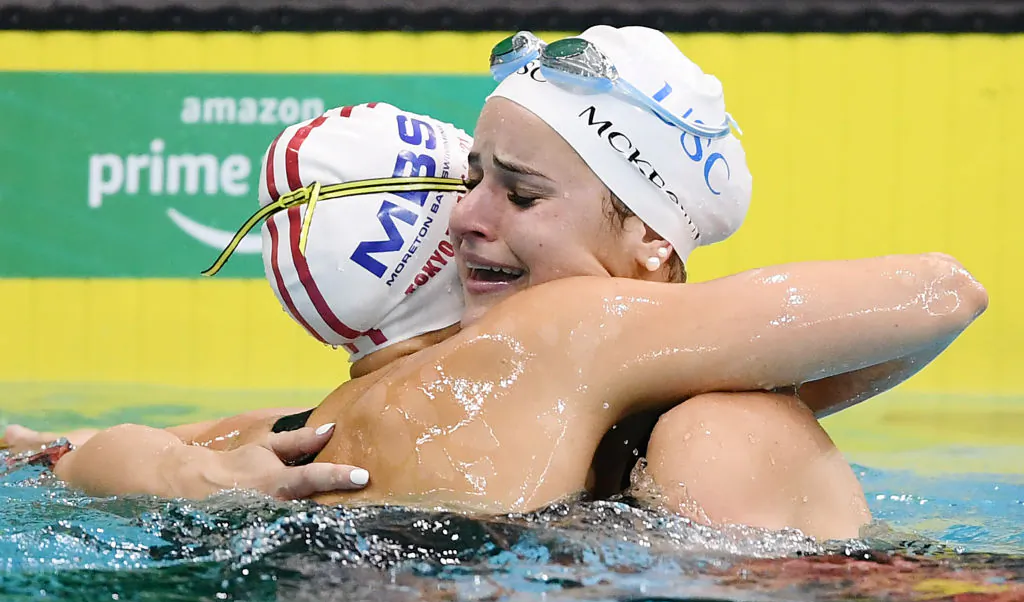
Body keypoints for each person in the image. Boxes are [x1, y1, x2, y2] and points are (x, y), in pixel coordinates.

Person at [42, 87, 986, 540]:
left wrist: (173, 472)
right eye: (467, 187)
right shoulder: (601, 360)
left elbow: (62, 455)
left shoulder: (297, 437)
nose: (470, 217)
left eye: (518, 195)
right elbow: (943, 293)